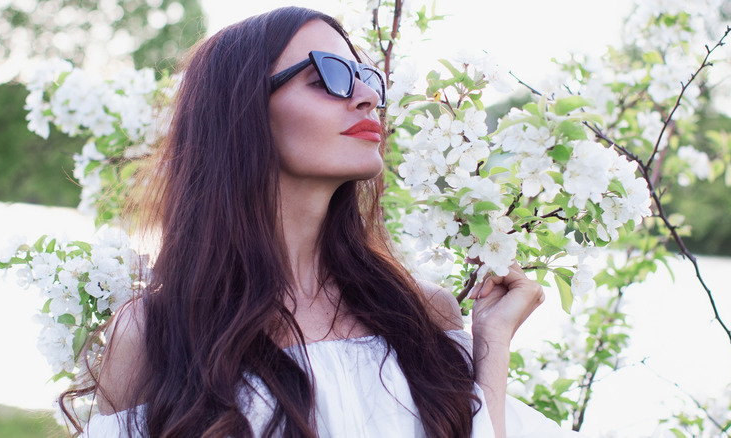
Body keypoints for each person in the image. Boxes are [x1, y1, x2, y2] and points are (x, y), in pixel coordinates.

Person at [71, 6, 583, 438]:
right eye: (327, 77)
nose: (367, 97)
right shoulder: (153, 334)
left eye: (368, 78)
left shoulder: (423, 314)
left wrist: (492, 342)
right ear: (242, 111)